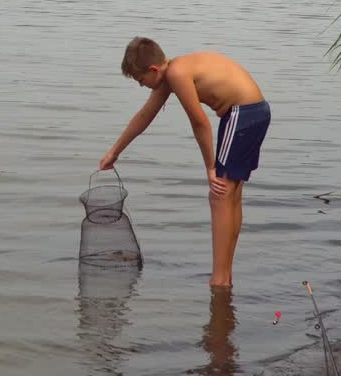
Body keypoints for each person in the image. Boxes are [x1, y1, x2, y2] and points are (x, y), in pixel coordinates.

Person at [99, 37, 271, 288]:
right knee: (230, 195)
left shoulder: (178, 74)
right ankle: (225, 277)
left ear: (153, 70)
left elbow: (199, 122)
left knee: (219, 195)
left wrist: (210, 168)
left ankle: (219, 279)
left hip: (242, 114)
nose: (142, 86)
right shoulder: (174, 71)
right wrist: (115, 151)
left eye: (141, 80)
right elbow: (145, 115)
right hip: (254, 112)